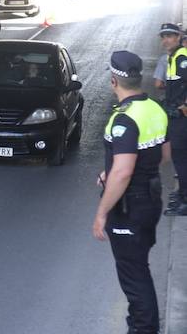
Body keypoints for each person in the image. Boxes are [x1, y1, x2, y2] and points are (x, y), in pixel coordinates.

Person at [93, 50, 169, 334]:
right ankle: (138, 324)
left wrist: (101, 214)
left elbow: (124, 172)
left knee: (134, 275)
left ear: (114, 80)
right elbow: (162, 154)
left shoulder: (124, 119)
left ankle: (143, 328)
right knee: (138, 267)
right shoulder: (153, 108)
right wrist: (110, 170)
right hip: (151, 201)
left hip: (129, 208)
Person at [160, 23, 187, 215]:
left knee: (181, 158)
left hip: (181, 118)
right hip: (175, 116)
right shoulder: (174, 57)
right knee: (179, 158)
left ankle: (185, 201)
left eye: (170, 36)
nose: (166, 40)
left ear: (178, 37)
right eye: (163, 36)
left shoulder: (182, 57)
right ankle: (182, 194)